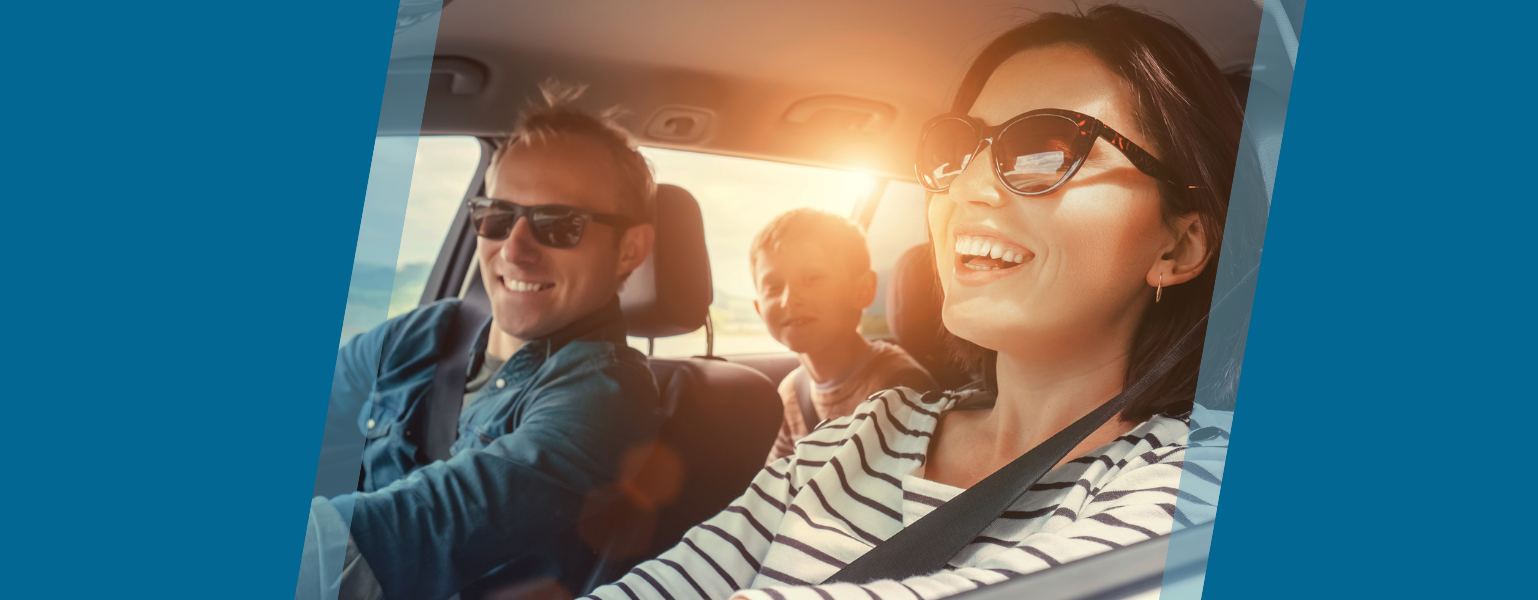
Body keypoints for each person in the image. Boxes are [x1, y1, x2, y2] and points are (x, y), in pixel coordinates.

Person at [581, 6, 1242, 600]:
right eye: (959, 152)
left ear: (1178, 247)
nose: (967, 188)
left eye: (1047, 150)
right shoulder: (854, 436)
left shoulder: (1199, 479)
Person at [297, 83, 664, 600]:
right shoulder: (427, 332)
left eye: (559, 225)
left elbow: (416, 529)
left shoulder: (604, 395)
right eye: (496, 216)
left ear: (630, 250)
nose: (514, 250)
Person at [749, 209, 936, 463]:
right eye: (773, 286)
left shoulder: (900, 387)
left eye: (812, 278)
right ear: (759, 309)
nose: (789, 299)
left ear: (862, 290)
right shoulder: (791, 392)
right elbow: (777, 485)